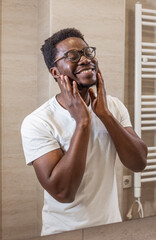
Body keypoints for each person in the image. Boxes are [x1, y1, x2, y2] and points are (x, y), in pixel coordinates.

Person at [21, 28, 147, 236]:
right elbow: (63, 192)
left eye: (87, 52)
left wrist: (105, 116)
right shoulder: (38, 122)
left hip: (111, 228)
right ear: (55, 72)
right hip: (64, 232)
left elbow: (139, 163)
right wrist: (83, 122)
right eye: (72, 56)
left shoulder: (112, 107)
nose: (85, 59)